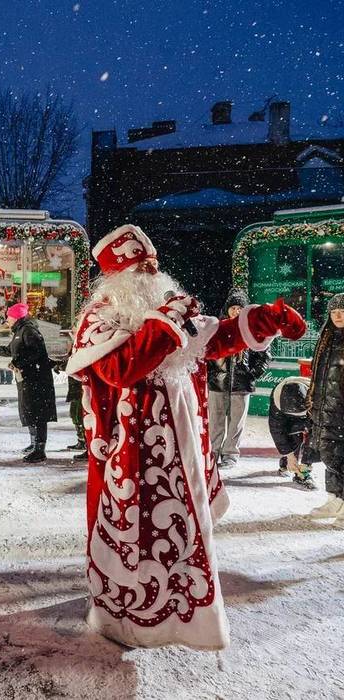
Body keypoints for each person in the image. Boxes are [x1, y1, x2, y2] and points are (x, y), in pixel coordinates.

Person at [65, 224, 305, 650]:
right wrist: (168, 321)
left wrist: (266, 319)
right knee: (137, 540)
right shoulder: (100, 319)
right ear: (118, 278)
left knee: (183, 533)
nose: (153, 275)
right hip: (132, 458)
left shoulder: (168, 315)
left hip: (185, 452)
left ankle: (186, 617)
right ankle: (131, 620)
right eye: (143, 269)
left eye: (155, 267)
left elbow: (217, 337)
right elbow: (121, 368)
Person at [207, 289, 272, 469]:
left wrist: (252, 373)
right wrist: (211, 371)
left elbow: (264, 355)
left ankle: (230, 454)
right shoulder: (217, 328)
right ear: (227, 309)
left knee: (236, 422)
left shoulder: (254, 330)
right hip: (217, 382)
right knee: (216, 419)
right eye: (233, 307)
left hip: (241, 383)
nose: (236, 311)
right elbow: (206, 352)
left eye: (240, 308)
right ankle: (213, 452)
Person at [0, 303, 57, 463]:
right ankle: (34, 443)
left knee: (37, 412)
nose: (7, 319)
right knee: (30, 411)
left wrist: (18, 362)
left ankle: (40, 450)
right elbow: (10, 351)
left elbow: (37, 352)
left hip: (37, 378)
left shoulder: (29, 331)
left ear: (16, 317)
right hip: (27, 378)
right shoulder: (20, 331)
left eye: (9, 316)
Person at [307, 293, 344, 519]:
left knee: (340, 456)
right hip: (325, 407)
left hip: (340, 409)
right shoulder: (327, 338)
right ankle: (334, 499)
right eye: (334, 312)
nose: (338, 315)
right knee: (329, 453)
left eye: (342, 311)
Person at [268, 376, 318, 489]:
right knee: (291, 433)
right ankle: (287, 461)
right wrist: (289, 454)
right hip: (288, 411)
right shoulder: (277, 399)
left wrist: (308, 459)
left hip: (311, 413)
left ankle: (304, 470)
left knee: (316, 435)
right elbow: (277, 430)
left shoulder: (319, 395)